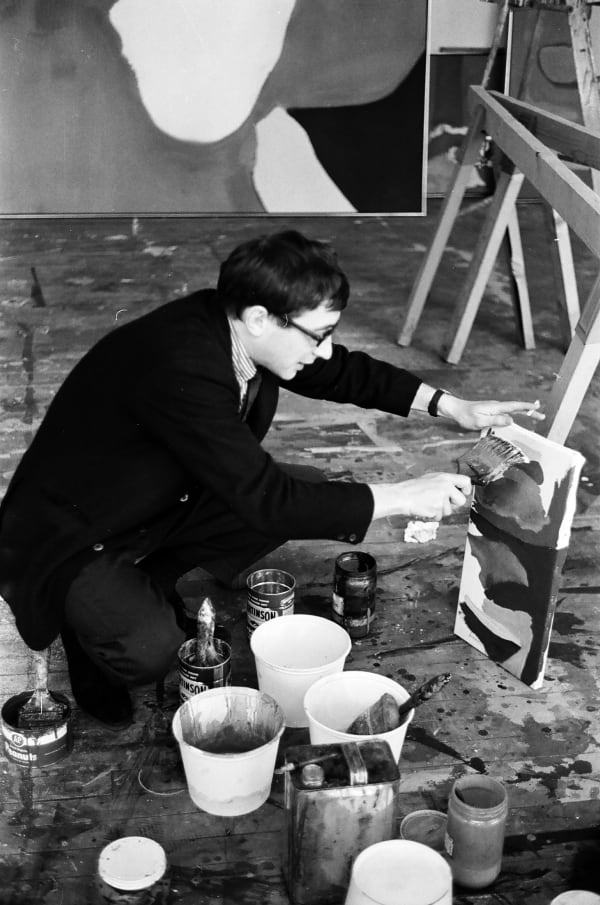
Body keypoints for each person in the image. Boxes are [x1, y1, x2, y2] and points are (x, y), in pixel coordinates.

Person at [0, 230, 544, 730]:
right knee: (149, 652)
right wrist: (403, 496)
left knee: (305, 485)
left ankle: (150, 583)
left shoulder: (237, 325)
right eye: (319, 333)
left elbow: (341, 371)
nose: (325, 348)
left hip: (147, 501)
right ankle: (84, 622)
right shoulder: (180, 363)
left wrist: (455, 408)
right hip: (73, 535)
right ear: (262, 317)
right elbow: (270, 503)